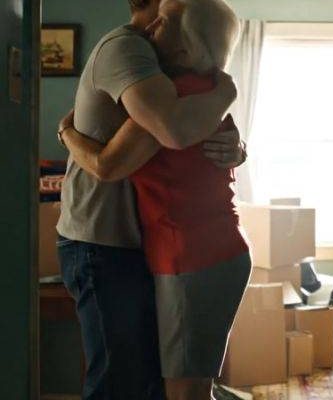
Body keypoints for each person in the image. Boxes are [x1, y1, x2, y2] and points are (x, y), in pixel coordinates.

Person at [55, 0, 246, 399]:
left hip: (187, 254)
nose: (155, 26)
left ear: (188, 45)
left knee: (154, 385)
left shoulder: (177, 93)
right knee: (136, 382)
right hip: (128, 246)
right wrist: (227, 93)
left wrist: (67, 133)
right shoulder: (148, 65)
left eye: (168, 21)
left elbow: (113, 162)